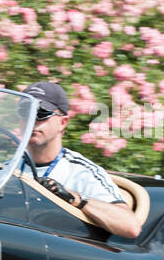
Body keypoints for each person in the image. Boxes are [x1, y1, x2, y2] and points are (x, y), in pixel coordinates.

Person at [20, 81, 142, 239]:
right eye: (25, 111)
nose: (31, 120)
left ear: (63, 123)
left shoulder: (82, 172)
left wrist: (75, 199)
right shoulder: (8, 167)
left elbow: (130, 226)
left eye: (41, 113)